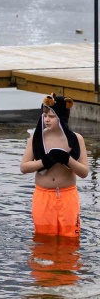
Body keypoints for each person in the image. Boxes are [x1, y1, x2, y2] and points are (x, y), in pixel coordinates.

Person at [20, 94, 90, 238]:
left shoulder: (76, 139)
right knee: (43, 238)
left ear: (62, 117)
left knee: (71, 237)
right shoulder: (37, 138)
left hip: (68, 196)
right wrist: (44, 162)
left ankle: (67, 261)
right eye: (44, 115)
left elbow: (84, 172)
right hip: (43, 195)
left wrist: (67, 159)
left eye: (52, 116)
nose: (46, 119)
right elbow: (24, 167)